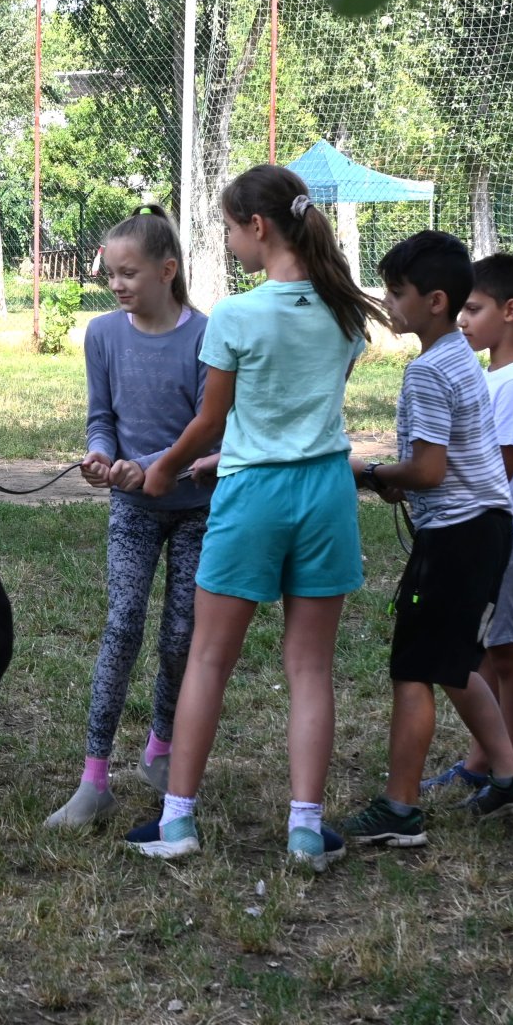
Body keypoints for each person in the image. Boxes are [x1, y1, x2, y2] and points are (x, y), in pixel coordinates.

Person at [125, 165, 383, 869]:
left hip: (253, 499)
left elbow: (214, 420)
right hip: (327, 494)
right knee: (310, 670)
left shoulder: (237, 316)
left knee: (209, 658)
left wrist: (166, 464)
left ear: (258, 228)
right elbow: (303, 411)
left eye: (231, 229)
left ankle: (177, 822)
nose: (231, 242)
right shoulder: (345, 310)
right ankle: (305, 829)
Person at [341, 230, 513, 848]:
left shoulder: (429, 371)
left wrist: (369, 473)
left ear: (434, 301)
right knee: (456, 662)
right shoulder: (461, 355)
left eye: (397, 293)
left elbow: (428, 472)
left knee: (414, 667)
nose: (388, 302)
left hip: (456, 537)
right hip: (487, 528)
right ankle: (511, 777)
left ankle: (399, 809)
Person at [43, 205, 216, 829]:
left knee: (180, 636)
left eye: (129, 273)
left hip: (198, 510)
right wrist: (101, 455)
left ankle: (161, 748)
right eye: (110, 273)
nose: (117, 285)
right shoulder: (102, 335)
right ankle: (94, 780)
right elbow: (102, 418)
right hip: (132, 509)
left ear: (167, 271)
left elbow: (212, 434)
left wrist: (150, 466)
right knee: (122, 627)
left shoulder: (207, 336)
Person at [422, 253, 513, 798]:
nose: (463, 320)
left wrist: (427, 476)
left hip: (505, 535)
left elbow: (500, 469)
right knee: (486, 651)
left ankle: (511, 771)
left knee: (509, 653)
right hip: (484, 533)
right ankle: (484, 764)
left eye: (473, 309)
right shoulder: (490, 376)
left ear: (511, 311)